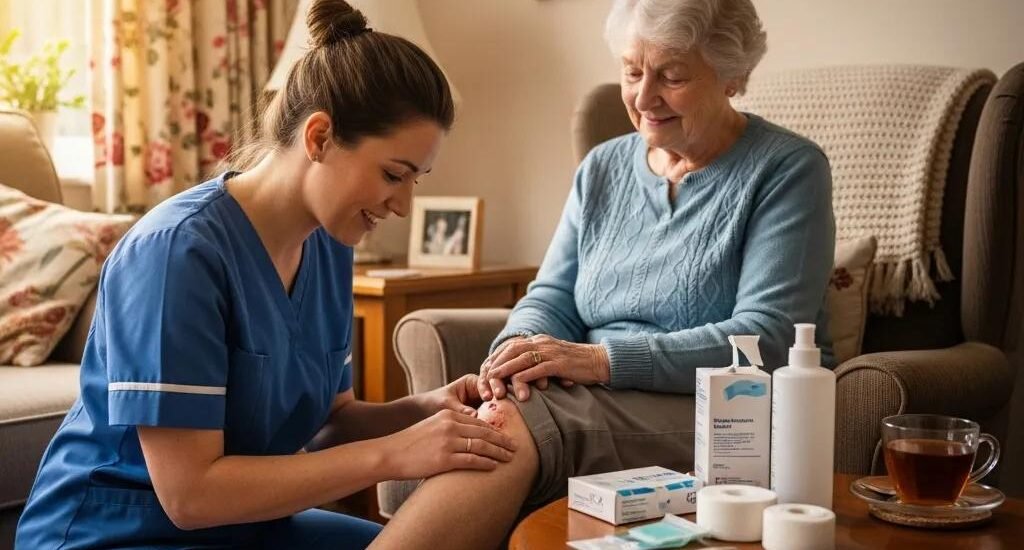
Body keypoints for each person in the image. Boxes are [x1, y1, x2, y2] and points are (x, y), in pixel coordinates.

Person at [14, 2, 516, 548]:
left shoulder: (329, 244)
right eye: (394, 174)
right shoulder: (176, 254)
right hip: (117, 533)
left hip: (244, 529)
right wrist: (395, 454)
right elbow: (189, 496)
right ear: (319, 137)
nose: (401, 205)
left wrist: (421, 411)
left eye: (415, 180)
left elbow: (330, 420)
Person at [371, 0, 835, 548]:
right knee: (496, 409)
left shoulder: (787, 169)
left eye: (673, 76)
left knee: (501, 427)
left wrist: (598, 361)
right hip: (590, 389)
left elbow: (768, 336)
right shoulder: (604, 167)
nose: (642, 98)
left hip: (723, 411)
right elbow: (554, 295)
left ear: (732, 77)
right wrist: (519, 351)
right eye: (632, 72)